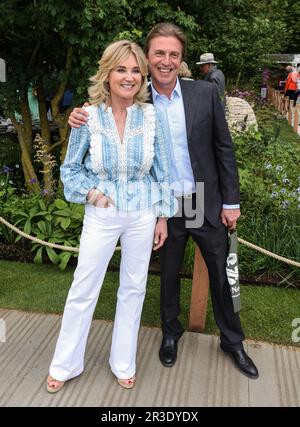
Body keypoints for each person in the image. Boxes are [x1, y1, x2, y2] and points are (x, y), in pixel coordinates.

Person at [68, 23, 259, 380]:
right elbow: (100, 112)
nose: (166, 61)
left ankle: (233, 341)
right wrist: (76, 115)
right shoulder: (136, 97)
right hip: (160, 205)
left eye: (173, 54)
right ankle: (170, 333)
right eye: (159, 53)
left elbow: (224, 149)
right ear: (147, 57)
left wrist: (231, 201)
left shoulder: (203, 93)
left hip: (204, 199)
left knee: (221, 274)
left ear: (181, 58)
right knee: (167, 274)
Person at [46, 39, 177, 393]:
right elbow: (71, 169)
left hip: (142, 213)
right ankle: (65, 364)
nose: (130, 77)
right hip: (102, 213)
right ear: (107, 74)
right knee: (84, 287)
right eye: (122, 69)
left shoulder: (151, 117)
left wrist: (163, 217)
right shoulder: (87, 116)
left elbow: (163, 171)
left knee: (133, 288)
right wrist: (93, 194)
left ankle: (123, 362)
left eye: (136, 70)